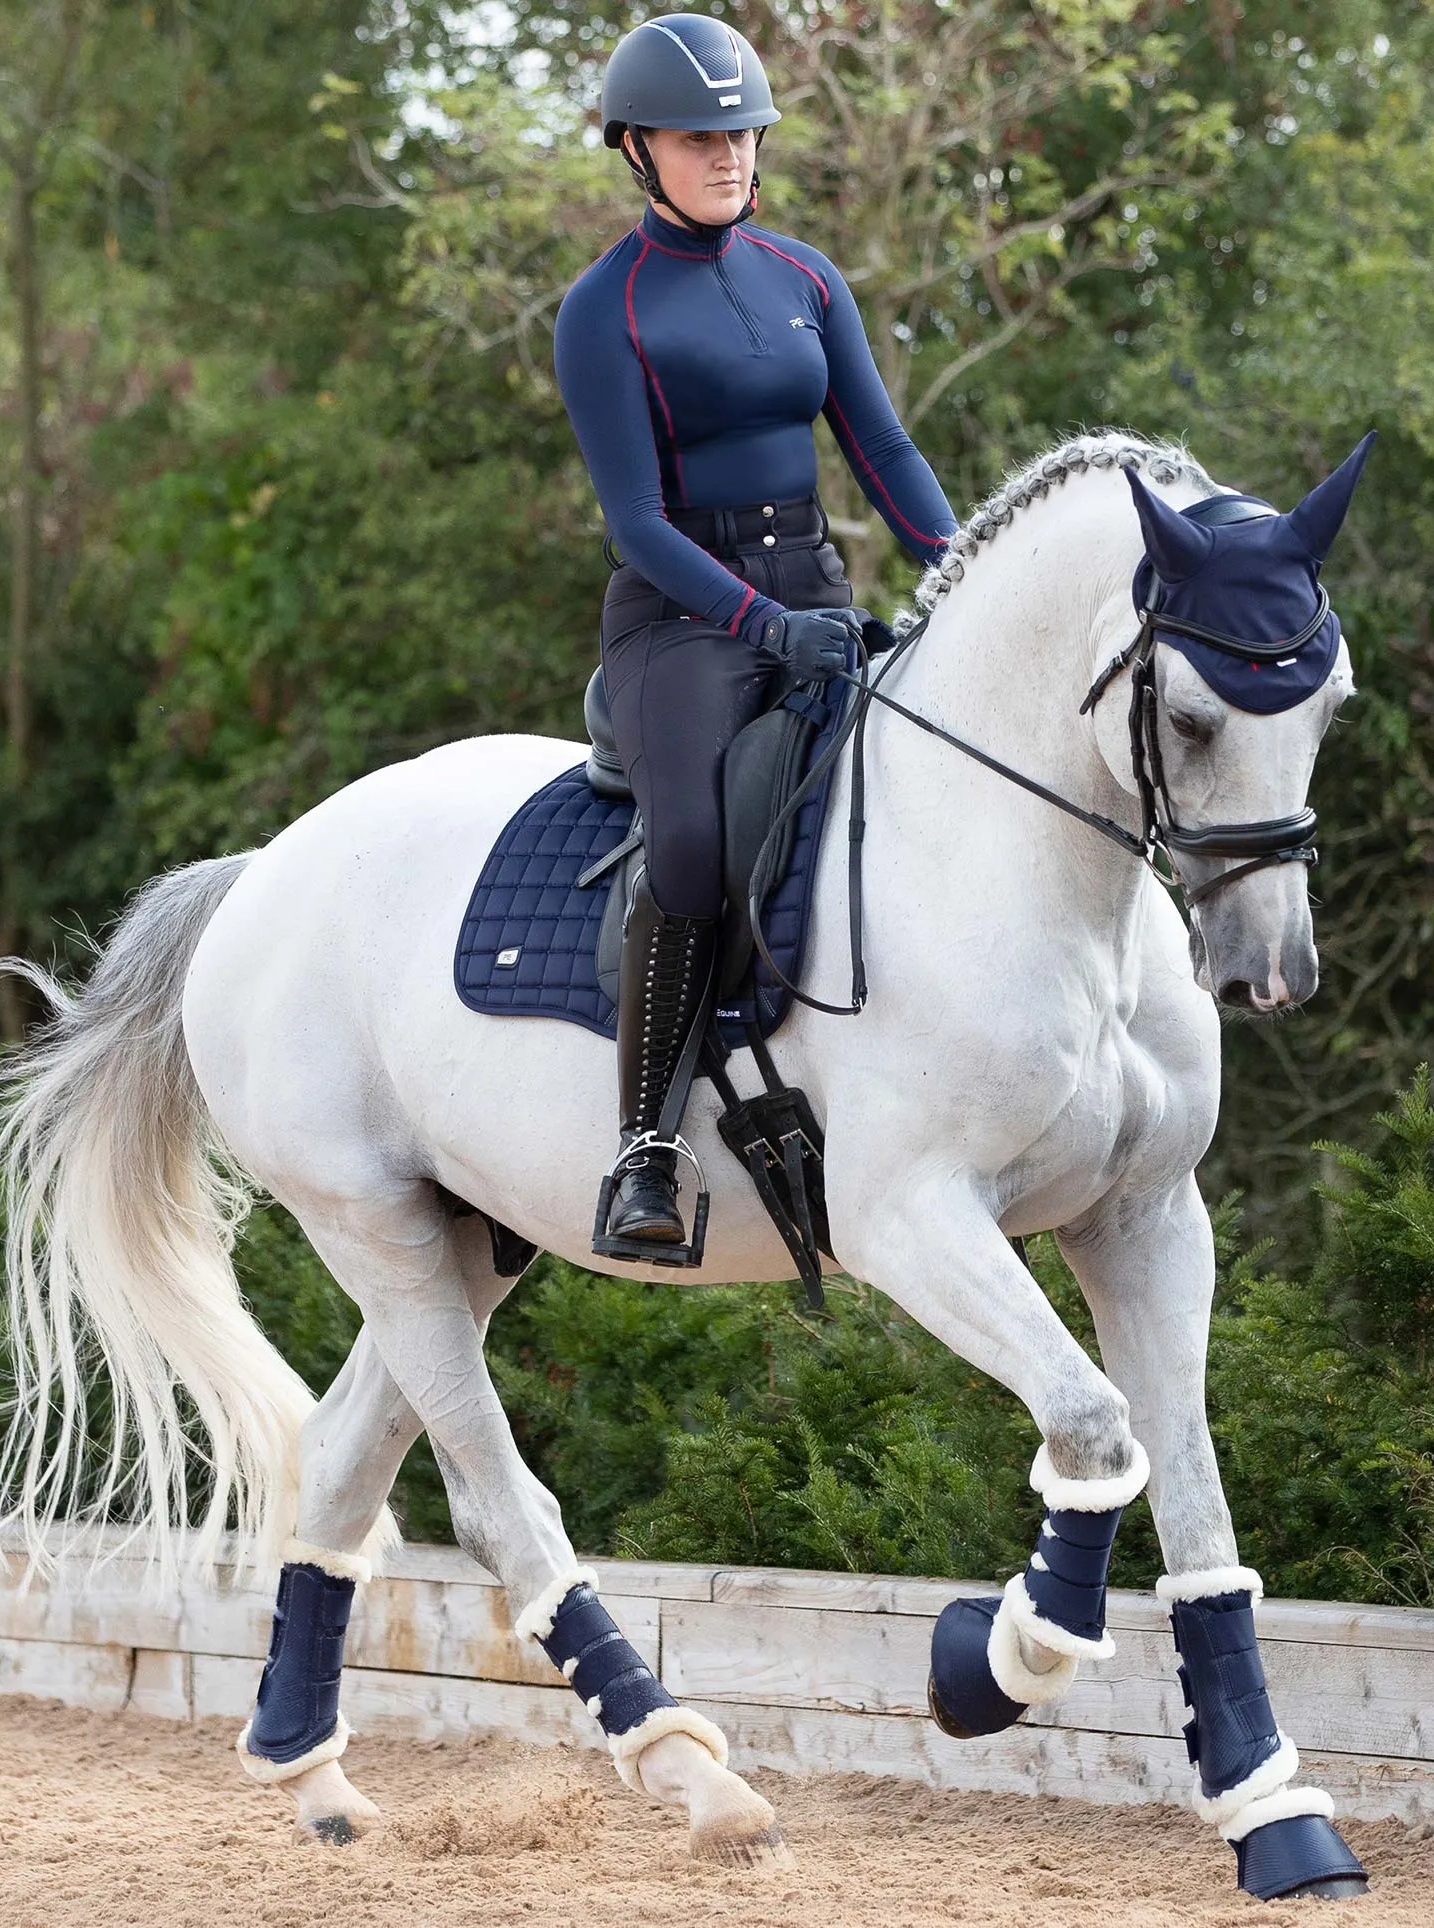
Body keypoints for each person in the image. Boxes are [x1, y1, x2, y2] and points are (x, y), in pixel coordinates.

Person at [555, 13, 958, 1256]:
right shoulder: (601, 311)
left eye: (743, 132)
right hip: (683, 619)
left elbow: (879, 448)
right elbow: (635, 521)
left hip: (813, 591)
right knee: (686, 838)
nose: (728, 154)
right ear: (636, 149)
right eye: (698, 136)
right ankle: (647, 1145)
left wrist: (962, 568)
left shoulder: (805, 279)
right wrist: (762, 621)